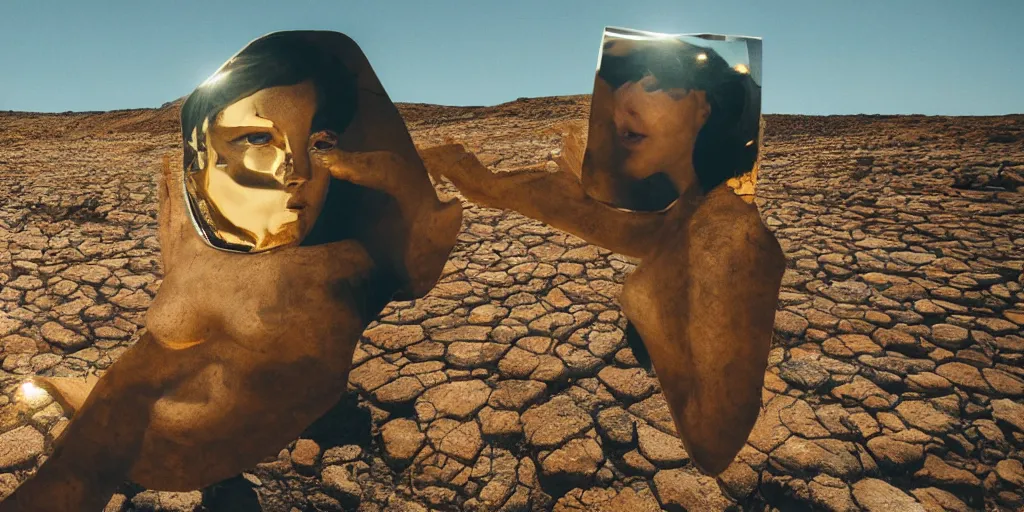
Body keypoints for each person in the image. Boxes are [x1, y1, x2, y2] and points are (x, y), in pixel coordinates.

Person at [0, 30, 463, 511]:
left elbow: (416, 261)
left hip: (204, 448)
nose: (297, 168)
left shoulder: (345, 263)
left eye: (320, 141)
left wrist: (403, 191)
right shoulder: (197, 239)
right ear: (201, 154)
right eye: (259, 138)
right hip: (147, 443)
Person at [432, 33, 785, 476]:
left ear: (705, 106)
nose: (626, 104)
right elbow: (625, 229)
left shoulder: (728, 237)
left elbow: (714, 446)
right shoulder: (693, 210)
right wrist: (480, 181)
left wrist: (650, 308)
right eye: (623, 85)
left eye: (655, 83)